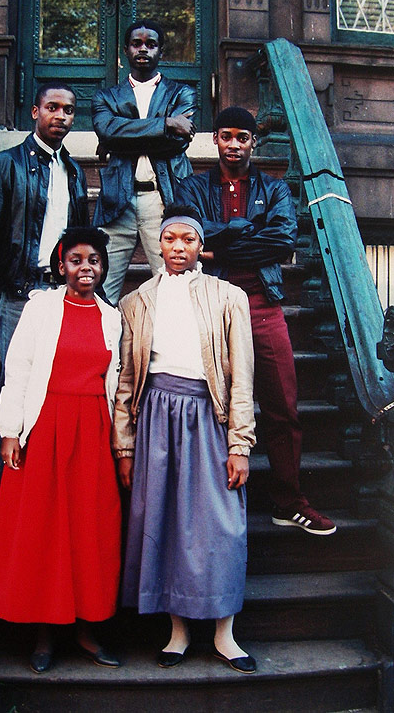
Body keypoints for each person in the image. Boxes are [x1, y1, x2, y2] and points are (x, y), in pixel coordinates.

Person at [176, 106, 336, 536]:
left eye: (242, 138)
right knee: (209, 405)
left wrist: (220, 242)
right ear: (215, 139)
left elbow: (283, 239)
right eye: (226, 136)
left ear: (253, 142)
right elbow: (190, 236)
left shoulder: (275, 187)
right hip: (210, 305)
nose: (234, 144)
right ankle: (210, 506)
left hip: (262, 304)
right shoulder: (192, 187)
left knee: (282, 404)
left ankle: (289, 501)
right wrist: (244, 231)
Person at [113, 204, 257, 673]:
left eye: (188, 240)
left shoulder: (228, 297)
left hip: (207, 416)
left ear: (201, 245)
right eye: (170, 239)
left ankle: (224, 634)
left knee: (218, 523)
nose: (178, 248)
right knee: (167, 521)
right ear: (158, 244)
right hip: (156, 418)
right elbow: (126, 381)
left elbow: (242, 378)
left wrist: (239, 444)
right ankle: (177, 632)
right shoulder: (136, 302)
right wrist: (125, 446)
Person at [0, 227, 122, 673]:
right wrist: (11, 430)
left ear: (103, 267)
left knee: (89, 528)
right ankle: (44, 633)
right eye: (76, 260)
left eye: (94, 261)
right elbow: (19, 368)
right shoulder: (41, 308)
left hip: (93, 430)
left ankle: (86, 629)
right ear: (61, 265)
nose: (85, 268)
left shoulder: (112, 317)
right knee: (44, 528)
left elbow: (116, 381)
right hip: (46, 425)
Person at [0, 80, 89, 369]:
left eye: (68, 110)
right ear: (35, 112)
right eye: (52, 108)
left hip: (63, 292)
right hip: (20, 294)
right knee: (16, 382)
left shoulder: (74, 171)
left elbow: (81, 237)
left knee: (58, 380)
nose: (60, 116)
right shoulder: (6, 164)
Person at [91, 19, 197, 305]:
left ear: (161, 51)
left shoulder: (181, 93)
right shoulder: (106, 96)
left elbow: (177, 143)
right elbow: (106, 130)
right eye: (136, 44)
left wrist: (119, 138)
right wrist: (166, 124)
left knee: (174, 286)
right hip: (118, 200)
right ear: (126, 50)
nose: (143, 49)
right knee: (102, 290)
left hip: (163, 198)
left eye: (151, 44)